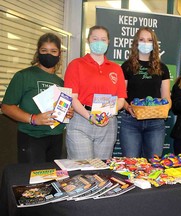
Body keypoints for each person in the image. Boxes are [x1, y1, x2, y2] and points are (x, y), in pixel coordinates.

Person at [1, 33, 73, 163]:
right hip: (31, 137)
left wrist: (68, 112)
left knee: (53, 179)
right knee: (33, 180)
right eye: (44, 50)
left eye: (53, 51)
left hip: (56, 137)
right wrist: (33, 119)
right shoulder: (24, 76)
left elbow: (62, 108)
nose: (48, 54)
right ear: (38, 52)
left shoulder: (61, 82)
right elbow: (6, 107)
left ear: (59, 55)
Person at [64, 25, 127, 160]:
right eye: (95, 38)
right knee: (82, 169)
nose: (99, 42)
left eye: (103, 39)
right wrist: (90, 117)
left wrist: (104, 115)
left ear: (108, 42)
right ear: (88, 40)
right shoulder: (76, 64)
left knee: (102, 170)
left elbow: (121, 99)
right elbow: (72, 97)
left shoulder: (116, 68)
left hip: (108, 122)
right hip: (81, 120)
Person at [119, 27, 171, 159]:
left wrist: (164, 108)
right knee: (131, 163)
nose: (145, 43)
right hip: (131, 121)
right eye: (142, 39)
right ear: (136, 43)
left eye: (149, 40)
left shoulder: (162, 68)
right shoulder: (126, 66)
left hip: (155, 123)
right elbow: (120, 95)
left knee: (153, 164)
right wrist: (127, 107)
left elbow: (166, 97)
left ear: (154, 44)